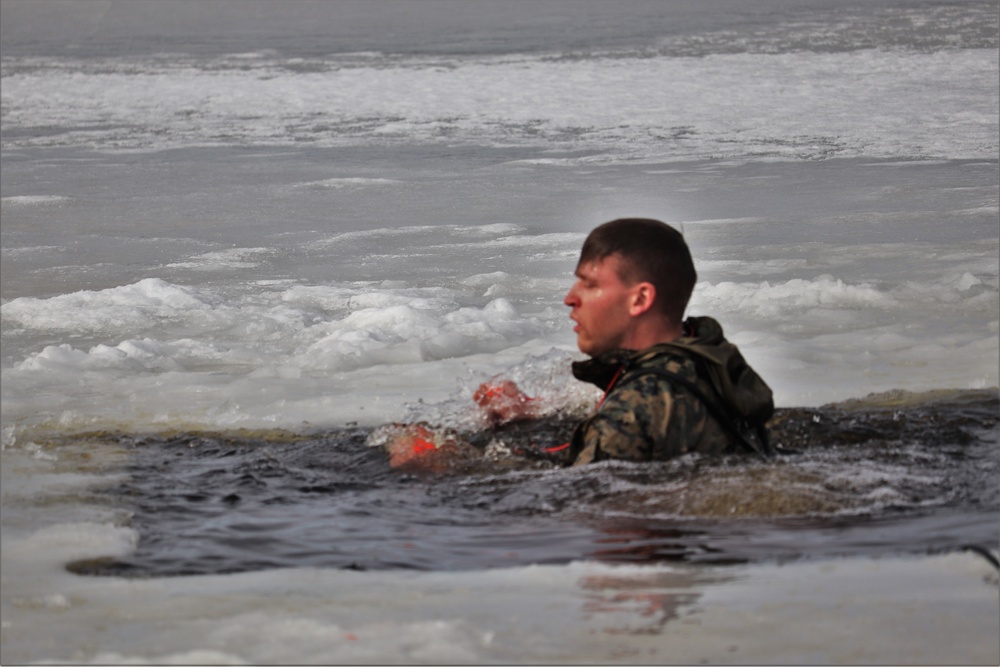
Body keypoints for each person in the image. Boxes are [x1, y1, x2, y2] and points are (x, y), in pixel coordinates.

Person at [478, 217, 774, 465]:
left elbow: (578, 503)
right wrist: (527, 416)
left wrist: (446, 458)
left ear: (640, 299)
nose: (570, 298)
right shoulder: (704, 354)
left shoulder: (632, 413)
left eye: (590, 284)